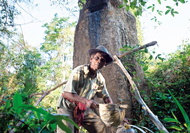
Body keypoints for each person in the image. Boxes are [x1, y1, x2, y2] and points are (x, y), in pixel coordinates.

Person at [57, 45, 114, 133]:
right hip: (67, 106)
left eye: (102, 60)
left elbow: (106, 98)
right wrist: (86, 101)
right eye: (96, 58)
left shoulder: (100, 79)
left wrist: (116, 115)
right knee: (67, 131)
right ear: (91, 59)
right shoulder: (79, 72)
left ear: (104, 65)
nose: (99, 61)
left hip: (82, 108)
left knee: (100, 128)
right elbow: (66, 93)